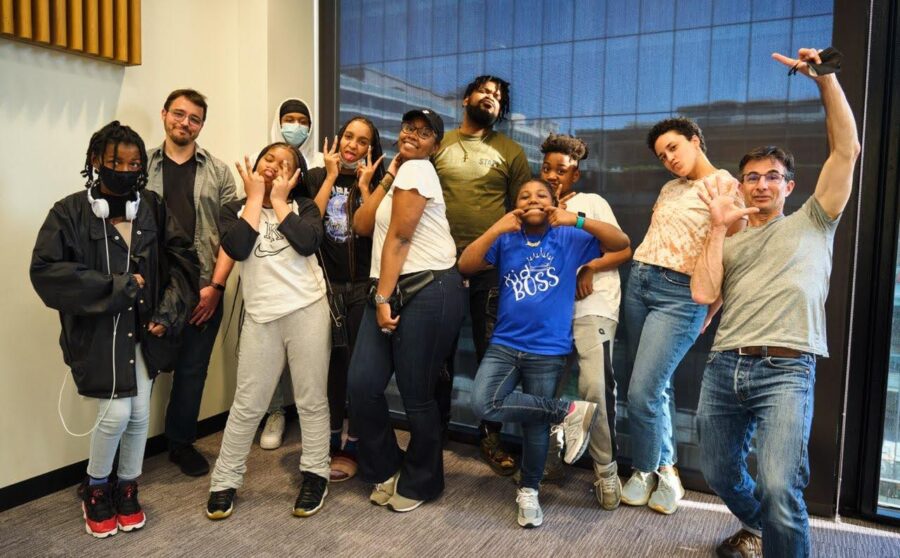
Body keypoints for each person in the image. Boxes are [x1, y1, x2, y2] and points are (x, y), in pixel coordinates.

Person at [692, 48, 860, 557]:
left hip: (786, 369)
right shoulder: (731, 235)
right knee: (720, 474)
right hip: (726, 367)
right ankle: (765, 527)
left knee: (779, 485)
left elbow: (847, 150)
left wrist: (824, 79)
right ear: (740, 186)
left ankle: (777, 531)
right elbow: (703, 292)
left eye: (772, 177)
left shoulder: (814, 220)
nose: (761, 184)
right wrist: (719, 227)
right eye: (752, 177)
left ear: (790, 186)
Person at [30, 121, 198, 537]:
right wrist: (115, 287)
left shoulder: (154, 208)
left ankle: (127, 486)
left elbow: (184, 263)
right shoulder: (68, 212)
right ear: (95, 162)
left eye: (134, 163)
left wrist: (168, 312)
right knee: (117, 413)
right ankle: (97, 487)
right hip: (98, 336)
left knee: (139, 414)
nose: (125, 169)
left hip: (146, 333)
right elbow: (46, 272)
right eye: (115, 162)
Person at [462, 178, 630, 528]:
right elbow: (466, 264)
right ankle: (567, 411)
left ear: (554, 202)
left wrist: (578, 221)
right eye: (525, 196)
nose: (533, 200)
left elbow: (622, 243)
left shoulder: (568, 237)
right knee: (482, 402)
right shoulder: (506, 238)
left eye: (541, 195)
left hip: (548, 350)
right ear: (516, 205)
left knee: (536, 428)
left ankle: (529, 490)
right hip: (506, 344)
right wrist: (497, 226)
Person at [620, 116, 745, 515]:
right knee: (656, 386)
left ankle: (642, 469)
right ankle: (666, 470)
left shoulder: (729, 187)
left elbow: (734, 258)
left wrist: (710, 308)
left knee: (641, 391)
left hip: (681, 295)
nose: (669, 159)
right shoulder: (670, 187)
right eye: (661, 156)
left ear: (695, 140)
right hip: (640, 281)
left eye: (673, 148)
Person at [205, 143, 332, 520]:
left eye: (286, 164)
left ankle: (315, 474)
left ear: (295, 177)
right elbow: (239, 248)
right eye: (269, 160)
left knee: (311, 399)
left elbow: (308, 242)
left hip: (308, 309)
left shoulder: (302, 208)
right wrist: (255, 199)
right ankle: (224, 481)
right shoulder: (235, 210)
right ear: (256, 165)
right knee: (247, 404)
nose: (275, 166)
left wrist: (277, 202)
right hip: (261, 317)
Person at [348, 108, 465, 513]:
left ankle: (422, 479)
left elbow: (399, 238)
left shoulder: (420, 171)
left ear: (436, 144)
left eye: (424, 132)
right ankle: (385, 467)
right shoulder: (403, 172)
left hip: (427, 289)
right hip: (391, 287)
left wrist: (382, 299)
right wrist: (385, 174)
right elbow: (363, 225)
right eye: (408, 128)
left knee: (417, 396)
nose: (413, 135)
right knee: (362, 386)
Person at [433, 75, 532, 476]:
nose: (491, 99)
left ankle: (489, 439)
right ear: (466, 98)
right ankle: (431, 434)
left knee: (493, 357)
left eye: (498, 98)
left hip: (493, 272)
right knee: (436, 356)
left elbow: (525, 212)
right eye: (485, 92)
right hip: (438, 265)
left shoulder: (510, 151)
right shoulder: (438, 145)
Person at [146, 89, 238, 477]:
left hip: (203, 287)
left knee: (191, 371)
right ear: (164, 114)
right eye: (178, 114)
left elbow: (232, 235)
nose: (185, 123)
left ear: (202, 124)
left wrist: (215, 288)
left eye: (194, 118)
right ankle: (121, 455)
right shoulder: (142, 166)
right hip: (149, 287)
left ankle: (181, 444)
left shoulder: (219, 172)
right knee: (140, 371)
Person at [538, 133, 632, 509]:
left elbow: (623, 247)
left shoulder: (591, 202)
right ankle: (547, 461)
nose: (552, 175)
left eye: (561, 170)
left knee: (595, 389)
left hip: (593, 306)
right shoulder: (534, 208)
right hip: (549, 315)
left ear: (575, 175)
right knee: (543, 390)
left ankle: (606, 472)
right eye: (546, 168)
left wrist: (589, 266)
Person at [258, 98, 326, 450]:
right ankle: (275, 412)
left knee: (305, 357)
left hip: (303, 270)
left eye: (302, 121)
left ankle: (307, 422)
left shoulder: (317, 167)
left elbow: (312, 227)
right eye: (289, 119)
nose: (295, 126)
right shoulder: (262, 167)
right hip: (266, 271)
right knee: (266, 355)